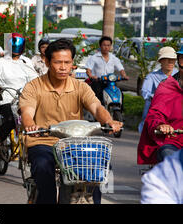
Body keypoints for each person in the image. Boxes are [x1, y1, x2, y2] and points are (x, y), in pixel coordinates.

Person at [19, 38, 123, 204]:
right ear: (46, 61)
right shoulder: (34, 86)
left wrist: (109, 121)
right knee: (42, 166)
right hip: (43, 141)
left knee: (99, 167)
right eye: (58, 62)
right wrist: (30, 124)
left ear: (72, 63)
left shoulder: (80, 87)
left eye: (67, 62)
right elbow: (27, 112)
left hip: (74, 144)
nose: (63, 67)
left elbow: (96, 107)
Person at [137, 46, 183, 165]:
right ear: (180, 61)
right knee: (171, 158)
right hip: (174, 143)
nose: (169, 62)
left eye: (171, 59)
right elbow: (155, 114)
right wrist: (161, 125)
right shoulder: (166, 87)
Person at [0, 33, 38, 147]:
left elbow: (34, 79)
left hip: (24, 97)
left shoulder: (26, 61)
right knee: (11, 121)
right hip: (5, 97)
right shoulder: (0, 62)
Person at [138, 46, 178, 133]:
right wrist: (157, 97)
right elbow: (145, 92)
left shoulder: (179, 75)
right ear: (160, 61)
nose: (170, 62)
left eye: (173, 59)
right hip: (158, 108)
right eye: (167, 59)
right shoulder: (152, 77)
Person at [85, 36, 129, 104]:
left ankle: (119, 111)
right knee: (98, 97)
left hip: (111, 82)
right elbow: (88, 70)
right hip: (98, 82)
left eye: (108, 45)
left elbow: (121, 69)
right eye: (104, 45)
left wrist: (124, 75)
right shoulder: (94, 57)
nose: (106, 47)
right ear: (100, 45)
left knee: (120, 94)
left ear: (110, 46)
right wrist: (91, 76)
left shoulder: (113, 58)